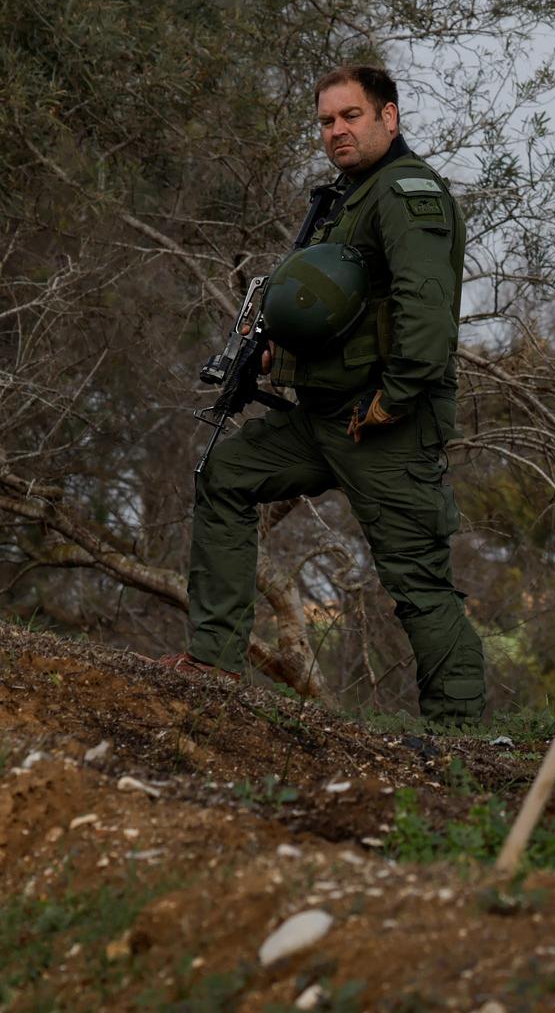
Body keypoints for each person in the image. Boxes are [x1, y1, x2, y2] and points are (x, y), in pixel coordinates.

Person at [172, 65, 486, 724]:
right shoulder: (350, 197)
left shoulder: (405, 194)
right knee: (224, 476)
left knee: (417, 585)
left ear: (388, 118)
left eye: (351, 116)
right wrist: (271, 353)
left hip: (384, 425)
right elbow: (343, 310)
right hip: (322, 418)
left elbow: (425, 314)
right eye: (326, 121)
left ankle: (466, 743)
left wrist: (393, 401)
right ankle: (212, 663)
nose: (337, 130)